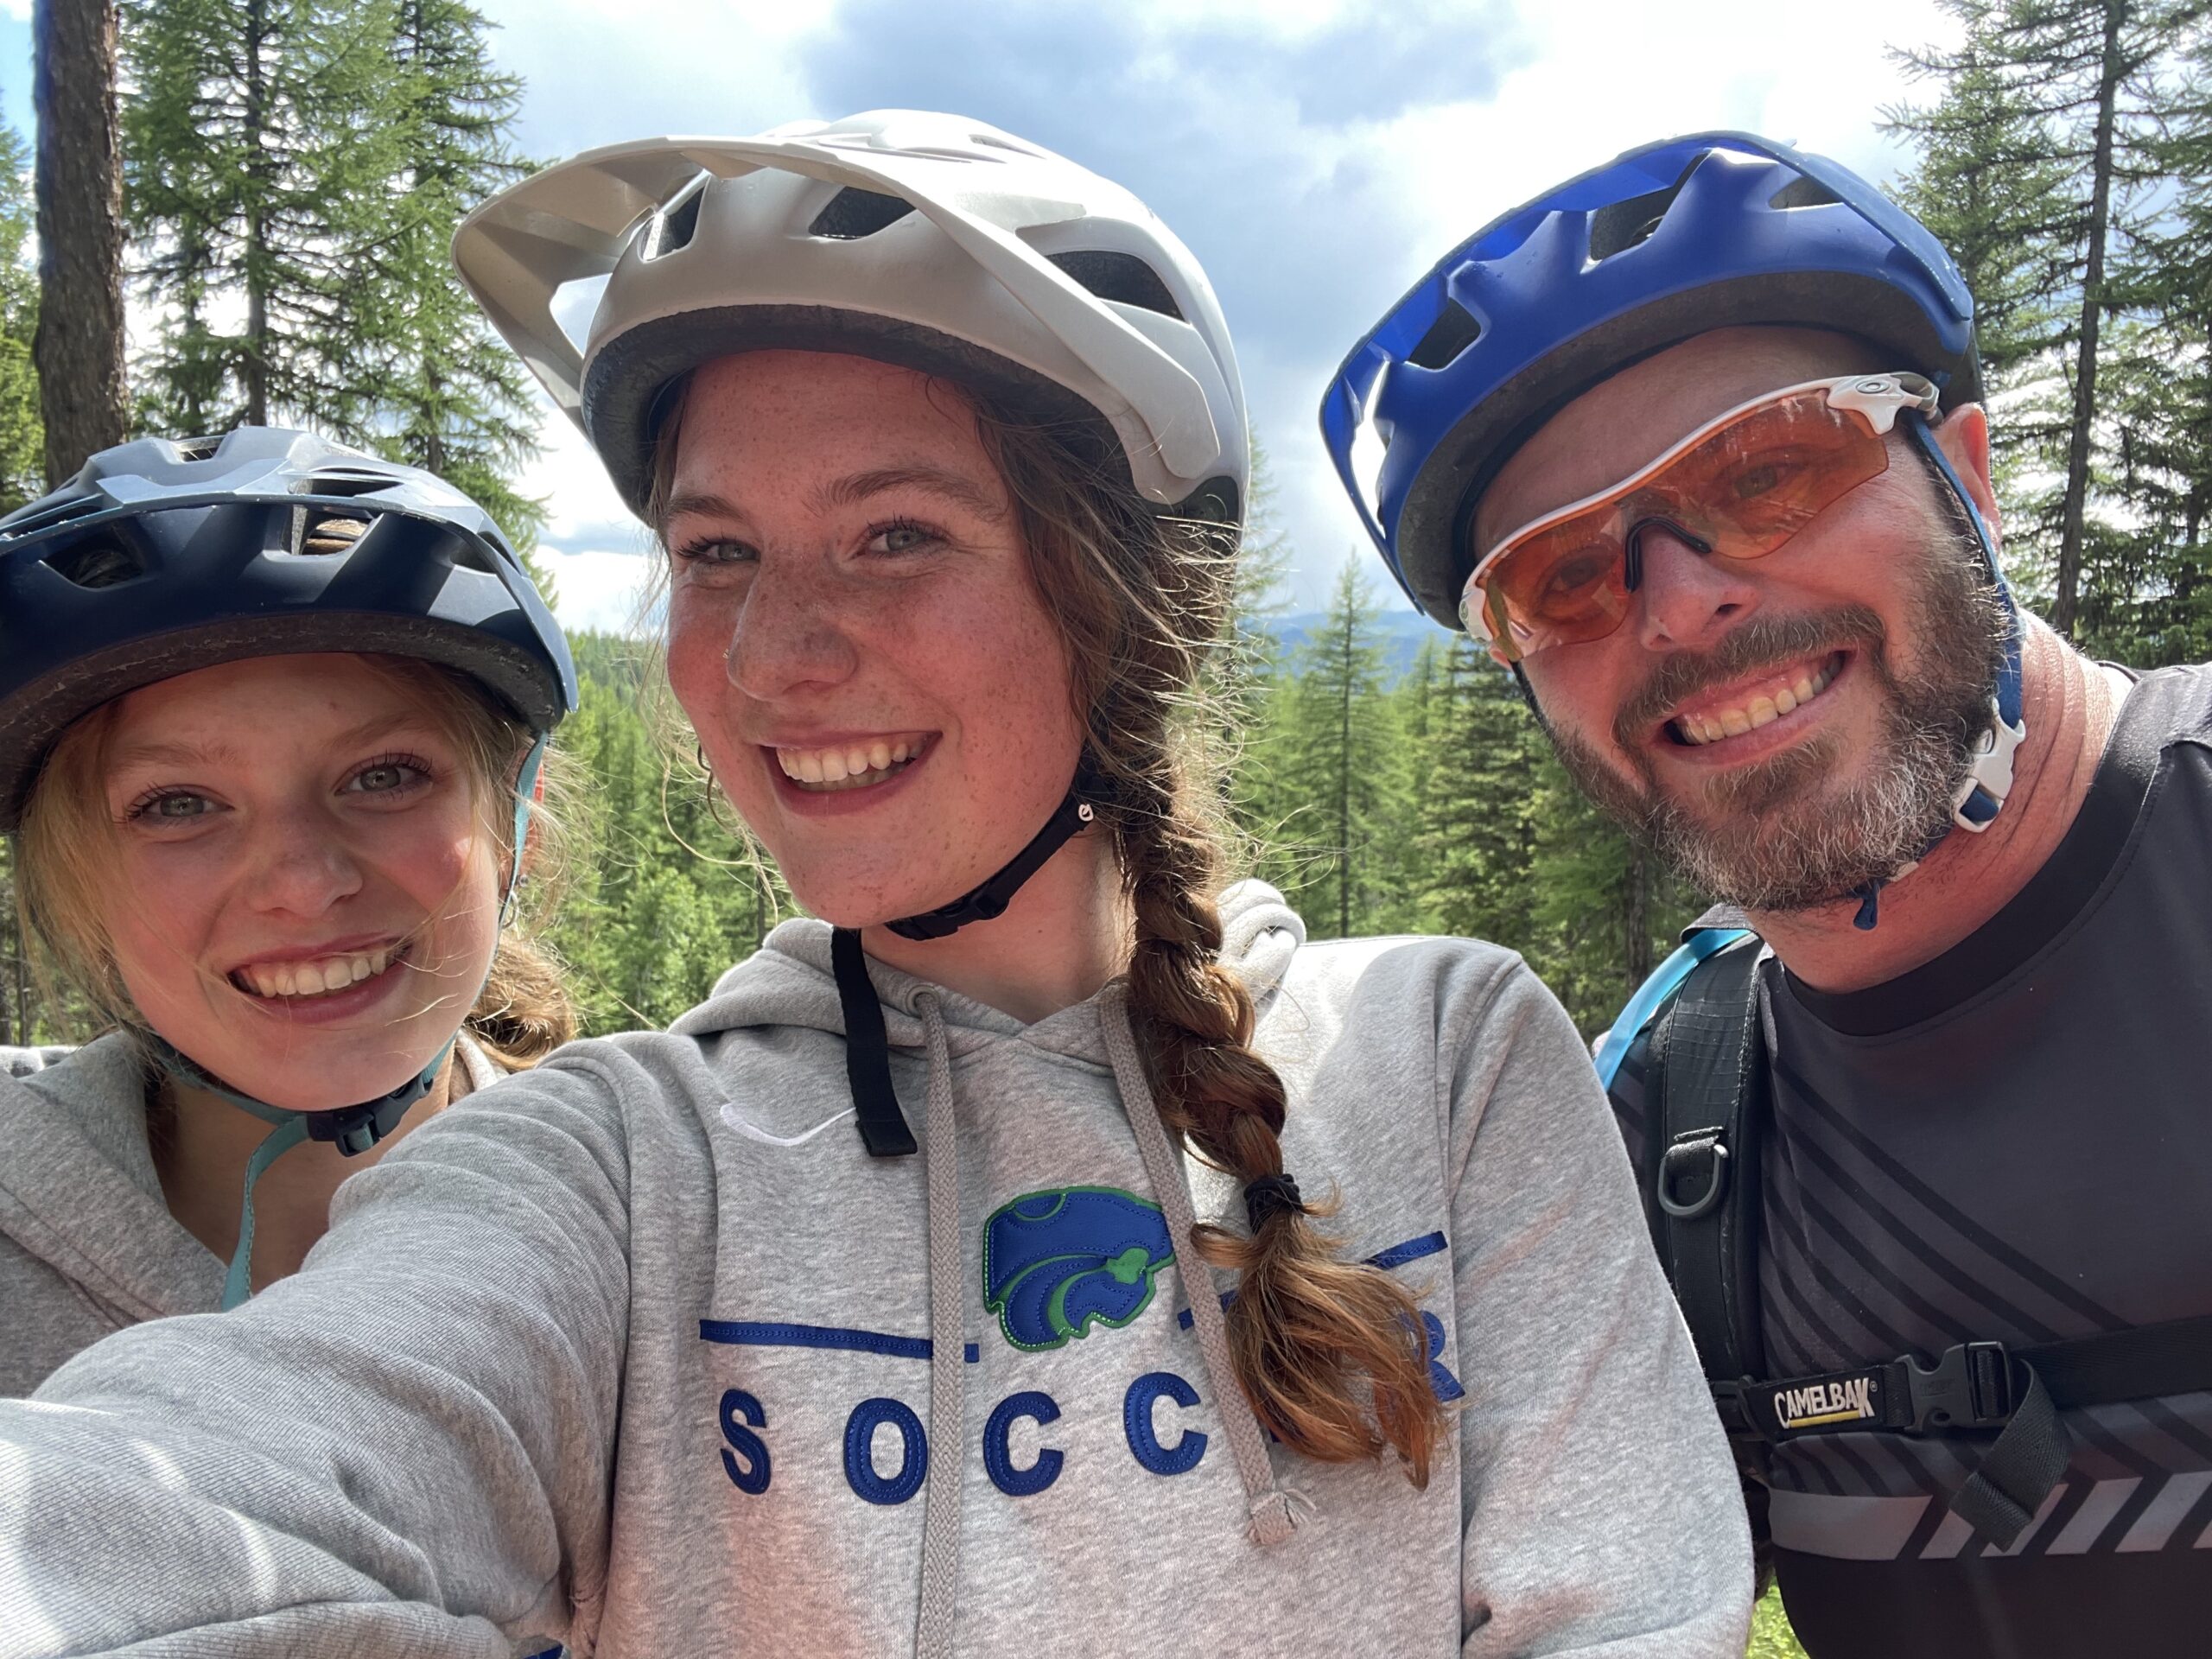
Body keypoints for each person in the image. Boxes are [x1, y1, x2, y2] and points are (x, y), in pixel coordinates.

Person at [0, 112, 1750, 1656]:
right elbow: (238, 1467)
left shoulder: (1440, 1060)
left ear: (1125, 598)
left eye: (894, 536)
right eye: (715, 557)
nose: (774, 657)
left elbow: (1629, 1611)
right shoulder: (616, 1162)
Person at [1324, 130, 2212, 1656]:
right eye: (1563, 577)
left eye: (1772, 469)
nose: (1682, 604)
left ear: (1971, 482)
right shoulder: (1665, 1120)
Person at [0, 428, 579, 1391]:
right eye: (177, 805)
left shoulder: (649, 1221)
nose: (304, 883)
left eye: (384, 776)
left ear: (514, 813)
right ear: (76, 874)